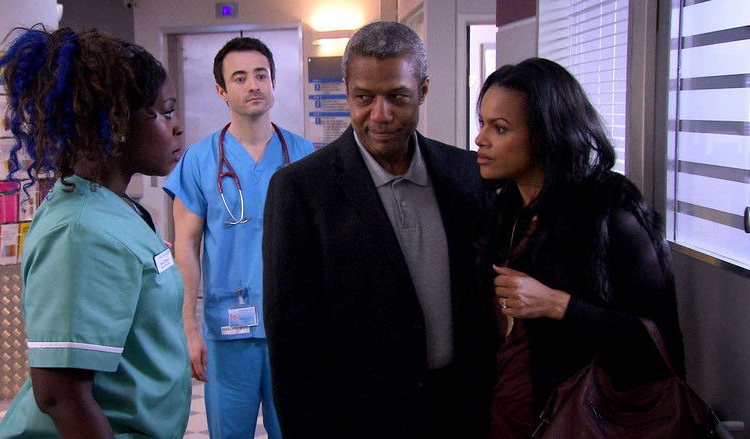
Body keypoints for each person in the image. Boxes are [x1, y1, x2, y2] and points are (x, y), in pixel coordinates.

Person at [263, 21, 485, 438]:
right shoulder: (301, 189)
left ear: (423, 90)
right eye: (364, 97)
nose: (380, 115)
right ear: (346, 91)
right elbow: (291, 337)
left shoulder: (467, 175)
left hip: (458, 412)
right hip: (358, 420)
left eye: (397, 97)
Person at [0, 27, 190, 438]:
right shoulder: (80, 231)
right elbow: (60, 395)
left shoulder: (118, 208)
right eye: (165, 112)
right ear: (116, 123)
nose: (178, 127)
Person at [472, 57, 685, 438]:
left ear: (546, 134)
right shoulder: (502, 213)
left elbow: (656, 344)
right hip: (508, 414)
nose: (480, 139)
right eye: (483, 123)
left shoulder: (608, 211)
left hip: (581, 420)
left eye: (499, 128)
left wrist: (559, 305)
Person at [163, 37, 314, 439]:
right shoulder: (199, 160)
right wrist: (188, 327)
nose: (253, 85)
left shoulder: (305, 156)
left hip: (294, 330)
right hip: (227, 330)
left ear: (274, 82)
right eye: (240, 78)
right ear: (221, 91)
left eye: (261, 75)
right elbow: (186, 248)